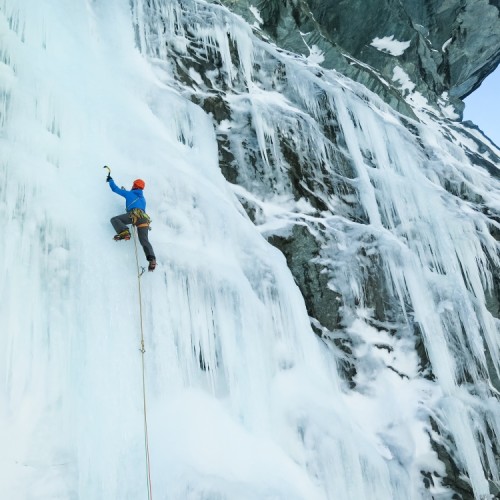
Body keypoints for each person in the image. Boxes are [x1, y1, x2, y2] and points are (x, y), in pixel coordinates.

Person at [106, 172, 157, 271]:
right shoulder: (143, 199)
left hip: (134, 215)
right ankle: (152, 259)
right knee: (144, 240)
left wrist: (110, 180)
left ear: (134, 186)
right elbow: (135, 202)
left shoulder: (129, 194)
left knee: (115, 219)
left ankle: (124, 231)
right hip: (144, 219)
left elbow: (115, 189)